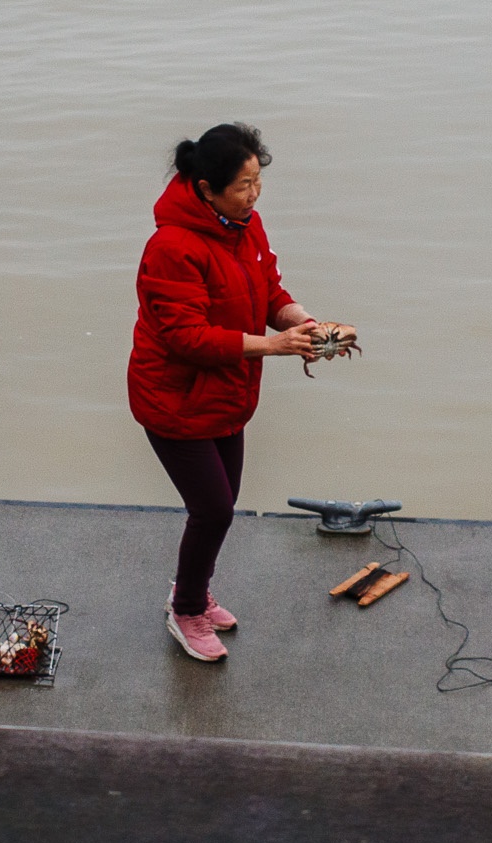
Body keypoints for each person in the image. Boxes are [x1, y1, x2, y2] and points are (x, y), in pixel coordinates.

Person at [128, 123, 349, 663]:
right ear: (206, 188)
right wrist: (275, 347)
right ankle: (185, 611)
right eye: (242, 185)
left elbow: (270, 290)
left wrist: (308, 325)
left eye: (258, 181)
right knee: (215, 510)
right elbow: (185, 337)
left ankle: (194, 594)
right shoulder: (171, 247)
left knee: (220, 505)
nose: (253, 194)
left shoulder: (245, 226)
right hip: (173, 398)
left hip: (227, 391)